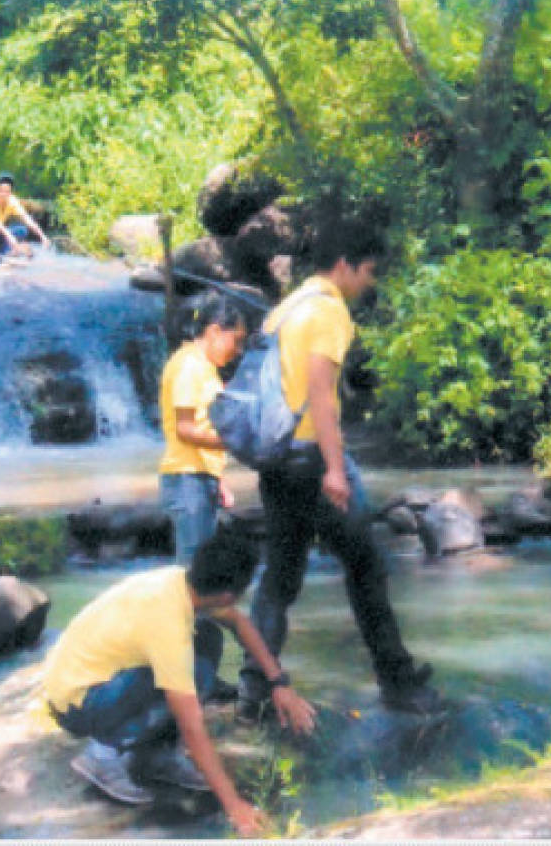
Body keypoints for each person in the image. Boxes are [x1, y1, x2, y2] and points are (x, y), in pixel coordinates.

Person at [236, 226, 441, 722]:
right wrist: (334, 469)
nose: (369, 282)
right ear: (344, 263)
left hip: (276, 459)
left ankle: (255, 685)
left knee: (280, 575)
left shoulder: (284, 309)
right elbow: (322, 394)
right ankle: (398, 681)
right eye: (369, 271)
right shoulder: (328, 311)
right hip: (311, 458)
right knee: (366, 566)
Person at [45, 529, 316, 835]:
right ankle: (102, 756)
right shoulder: (168, 625)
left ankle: (158, 754)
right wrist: (234, 805)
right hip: (79, 702)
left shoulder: (182, 582)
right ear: (229, 593)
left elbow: (239, 623)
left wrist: (279, 682)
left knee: (207, 636)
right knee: (172, 670)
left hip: (94, 679)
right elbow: (191, 723)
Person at [159, 294, 246, 563]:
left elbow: (203, 424)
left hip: (200, 479)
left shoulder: (206, 368)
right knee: (193, 573)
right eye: (237, 340)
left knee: (204, 573)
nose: (239, 350)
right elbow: (185, 430)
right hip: (187, 481)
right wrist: (233, 442)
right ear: (215, 331)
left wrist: (219, 480)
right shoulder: (188, 366)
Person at [0, 172, 49, 265]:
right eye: (2, 191)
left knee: (22, 230)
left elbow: (26, 218)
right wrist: (10, 237)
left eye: (7, 192)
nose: (4, 195)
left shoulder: (12, 200)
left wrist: (42, 237)